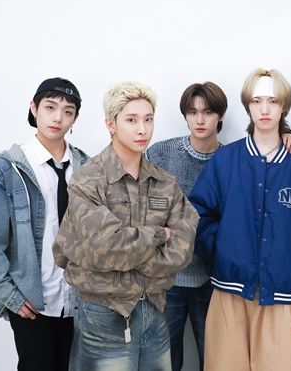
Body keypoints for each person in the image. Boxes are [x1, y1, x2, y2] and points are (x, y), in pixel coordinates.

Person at [189, 68, 291, 371]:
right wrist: (223, 248)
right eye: (257, 101)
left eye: (273, 101)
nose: (265, 109)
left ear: (284, 107)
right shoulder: (227, 160)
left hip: (281, 298)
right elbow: (196, 214)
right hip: (229, 293)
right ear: (248, 106)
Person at [53, 81, 198, 371]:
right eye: (131, 120)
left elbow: (184, 246)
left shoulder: (165, 182)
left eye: (148, 119)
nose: (142, 129)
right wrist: (159, 235)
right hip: (104, 315)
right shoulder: (88, 180)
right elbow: (105, 247)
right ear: (111, 124)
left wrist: (129, 255)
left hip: (155, 312)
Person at [0, 77, 87, 371]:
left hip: (80, 303)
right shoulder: (7, 168)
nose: (58, 118)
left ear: (75, 118)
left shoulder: (86, 167)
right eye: (50, 107)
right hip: (34, 303)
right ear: (34, 108)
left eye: (68, 111)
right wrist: (9, 296)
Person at [146, 81, 228, 371]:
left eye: (208, 112)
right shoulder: (161, 154)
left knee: (215, 359)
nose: (200, 120)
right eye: (193, 112)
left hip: (213, 280)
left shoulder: (231, 160)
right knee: (165, 360)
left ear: (220, 115)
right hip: (167, 279)